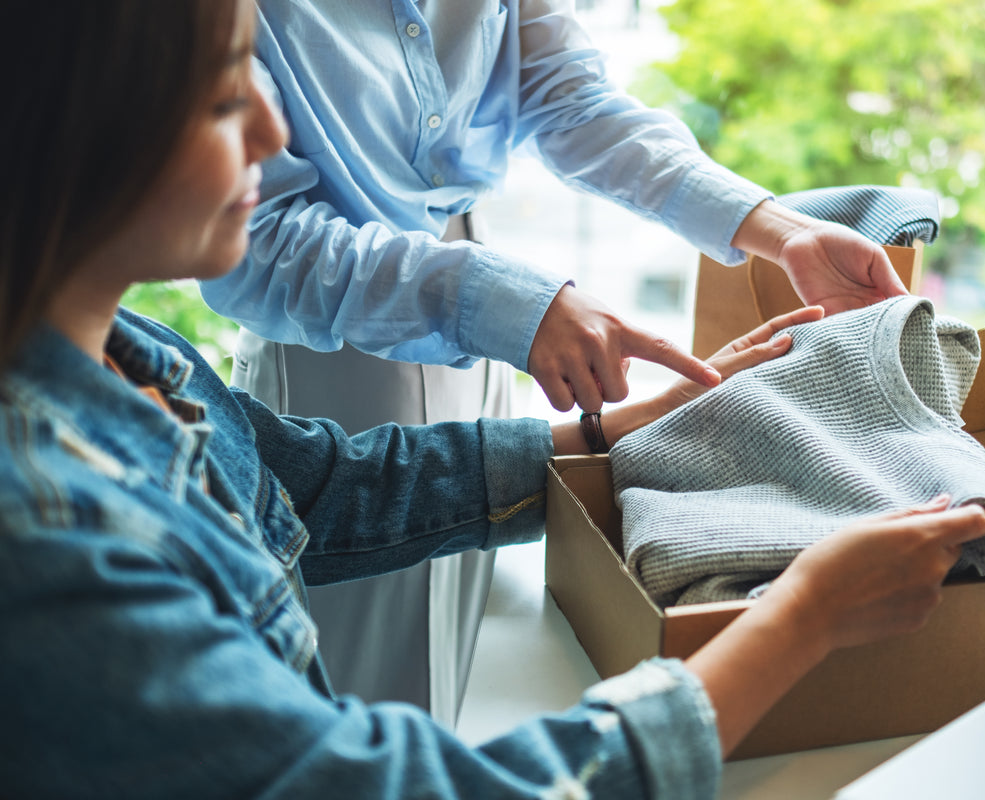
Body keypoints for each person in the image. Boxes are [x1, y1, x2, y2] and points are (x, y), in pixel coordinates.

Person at [0, 2, 985, 797]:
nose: (272, 130)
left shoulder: (134, 356)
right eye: (227, 100)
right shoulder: (51, 539)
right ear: (76, 129)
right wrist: (803, 618)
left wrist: (616, 428)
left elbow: (320, 486)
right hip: (355, 343)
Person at [198, 0, 911, 720]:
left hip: (473, 308)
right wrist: (510, 304)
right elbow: (255, 244)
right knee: (366, 691)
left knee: (458, 659)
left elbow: (572, 103)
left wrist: (783, 231)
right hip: (336, 337)